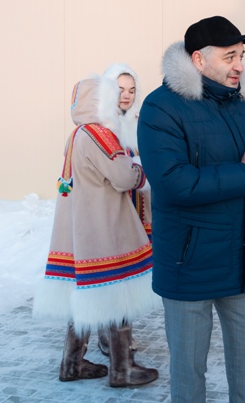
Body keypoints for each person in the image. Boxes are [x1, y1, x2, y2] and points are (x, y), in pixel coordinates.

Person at [138, 15, 245, 403]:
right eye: (230, 56)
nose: (240, 66)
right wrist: (243, 172)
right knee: (189, 374)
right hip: (188, 266)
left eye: (242, 55)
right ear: (199, 60)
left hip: (242, 260)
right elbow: (173, 182)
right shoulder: (160, 108)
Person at [33, 74, 161, 387]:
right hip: (105, 227)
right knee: (116, 291)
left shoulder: (77, 134)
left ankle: (72, 363)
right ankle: (123, 370)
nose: (117, 101)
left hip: (82, 229)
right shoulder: (100, 135)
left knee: (86, 294)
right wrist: (140, 171)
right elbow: (121, 176)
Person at [95, 63, 153, 356]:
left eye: (132, 90)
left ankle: (122, 333)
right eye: (120, 90)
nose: (127, 95)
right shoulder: (102, 126)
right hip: (111, 208)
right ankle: (108, 334)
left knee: (128, 274)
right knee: (112, 273)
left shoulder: (135, 123)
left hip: (134, 206)